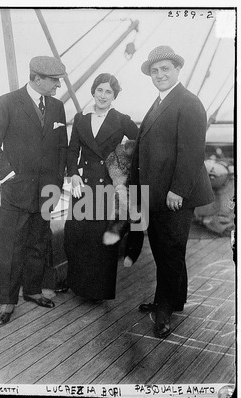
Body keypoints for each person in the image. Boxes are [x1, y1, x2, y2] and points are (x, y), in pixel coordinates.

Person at [131, 46, 214, 338]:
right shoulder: (158, 103)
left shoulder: (189, 103)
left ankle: (163, 310)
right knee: (165, 250)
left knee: (170, 252)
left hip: (177, 195)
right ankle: (175, 298)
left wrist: (177, 190)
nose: (159, 75)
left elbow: (192, 153)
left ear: (177, 70)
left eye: (165, 69)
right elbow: (142, 151)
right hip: (156, 195)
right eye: (154, 71)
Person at [0, 56, 68, 325]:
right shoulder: (6, 103)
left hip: (46, 190)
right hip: (17, 190)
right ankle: (7, 302)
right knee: (12, 248)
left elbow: (61, 147)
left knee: (38, 242)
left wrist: (57, 180)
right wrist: (9, 176)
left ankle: (32, 290)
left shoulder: (56, 107)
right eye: (54, 81)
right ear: (37, 78)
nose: (58, 87)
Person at [64, 73, 138, 302]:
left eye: (109, 92)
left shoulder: (122, 119)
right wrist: (73, 174)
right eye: (100, 90)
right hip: (83, 186)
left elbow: (140, 144)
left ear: (114, 96)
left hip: (107, 187)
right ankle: (77, 285)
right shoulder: (81, 119)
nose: (103, 95)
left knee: (100, 238)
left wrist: (122, 170)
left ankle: (97, 292)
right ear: (93, 92)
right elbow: (71, 150)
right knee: (77, 234)